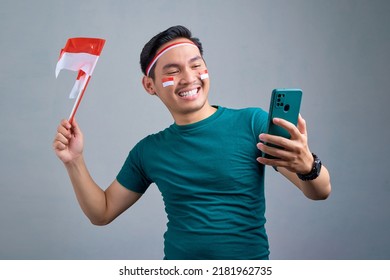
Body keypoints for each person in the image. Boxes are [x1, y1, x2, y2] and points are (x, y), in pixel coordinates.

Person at [53, 25, 331, 260]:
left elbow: (320, 191)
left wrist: (308, 165)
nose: (189, 77)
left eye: (196, 65)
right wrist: (74, 161)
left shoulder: (253, 124)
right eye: (173, 70)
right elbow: (101, 212)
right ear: (150, 86)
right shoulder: (147, 151)